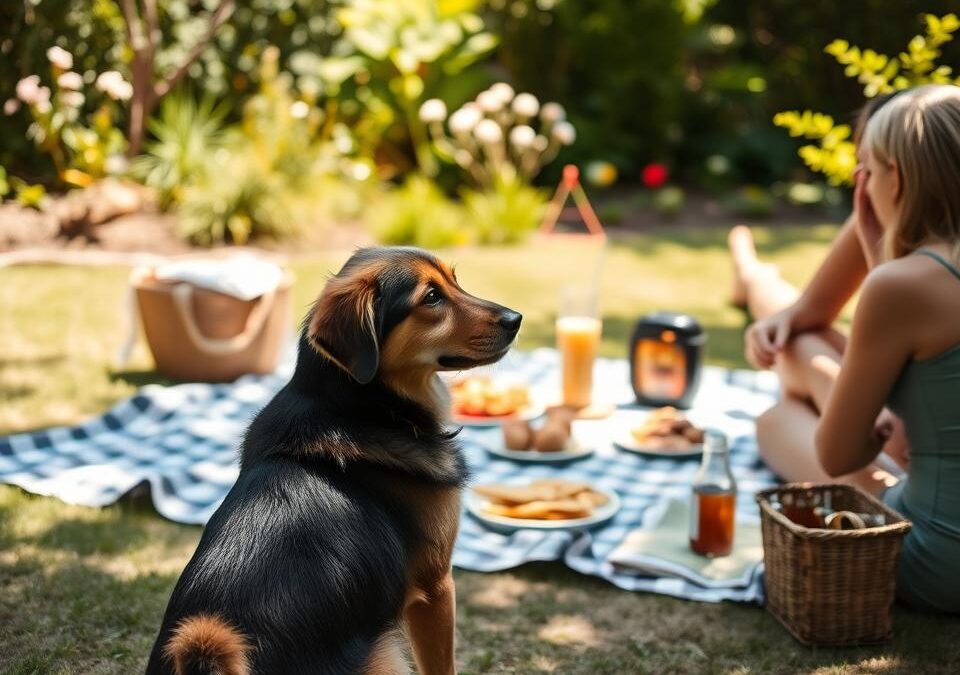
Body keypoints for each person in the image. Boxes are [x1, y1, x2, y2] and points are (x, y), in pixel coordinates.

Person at [734, 84, 960, 613]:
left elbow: (840, 454)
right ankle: (756, 286)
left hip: (940, 562)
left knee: (774, 420)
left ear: (896, 179)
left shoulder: (902, 287)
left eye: (870, 171)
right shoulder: (911, 281)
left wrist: (880, 260)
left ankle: (755, 286)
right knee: (797, 362)